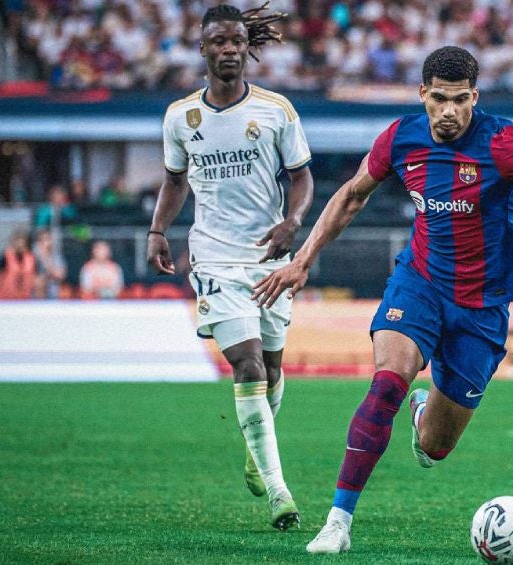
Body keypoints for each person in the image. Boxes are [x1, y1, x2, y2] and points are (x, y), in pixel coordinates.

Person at [250, 45, 513, 555]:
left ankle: (422, 415)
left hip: (482, 307)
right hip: (420, 284)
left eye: (460, 100)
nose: (449, 111)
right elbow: (349, 195)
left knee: (436, 445)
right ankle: (338, 522)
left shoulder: (499, 143)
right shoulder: (400, 138)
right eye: (439, 99)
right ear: (423, 95)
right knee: (387, 381)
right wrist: (303, 259)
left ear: (474, 97)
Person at [145, 4, 314, 531]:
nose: (228, 50)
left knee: (273, 367)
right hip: (214, 256)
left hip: (269, 259)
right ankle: (279, 493)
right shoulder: (179, 117)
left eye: (236, 42)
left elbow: (302, 177)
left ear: (247, 47)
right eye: (218, 41)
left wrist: (293, 220)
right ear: (203, 49)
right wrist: (157, 231)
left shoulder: (276, 110)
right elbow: (175, 182)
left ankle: (255, 452)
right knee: (246, 366)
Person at [0, 230, 37, 299]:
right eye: (18, 242)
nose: (20, 245)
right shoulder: (4, 257)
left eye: (23, 243)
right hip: (5, 300)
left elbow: (35, 279)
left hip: (25, 300)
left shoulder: (31, 258)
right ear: (13, 242)